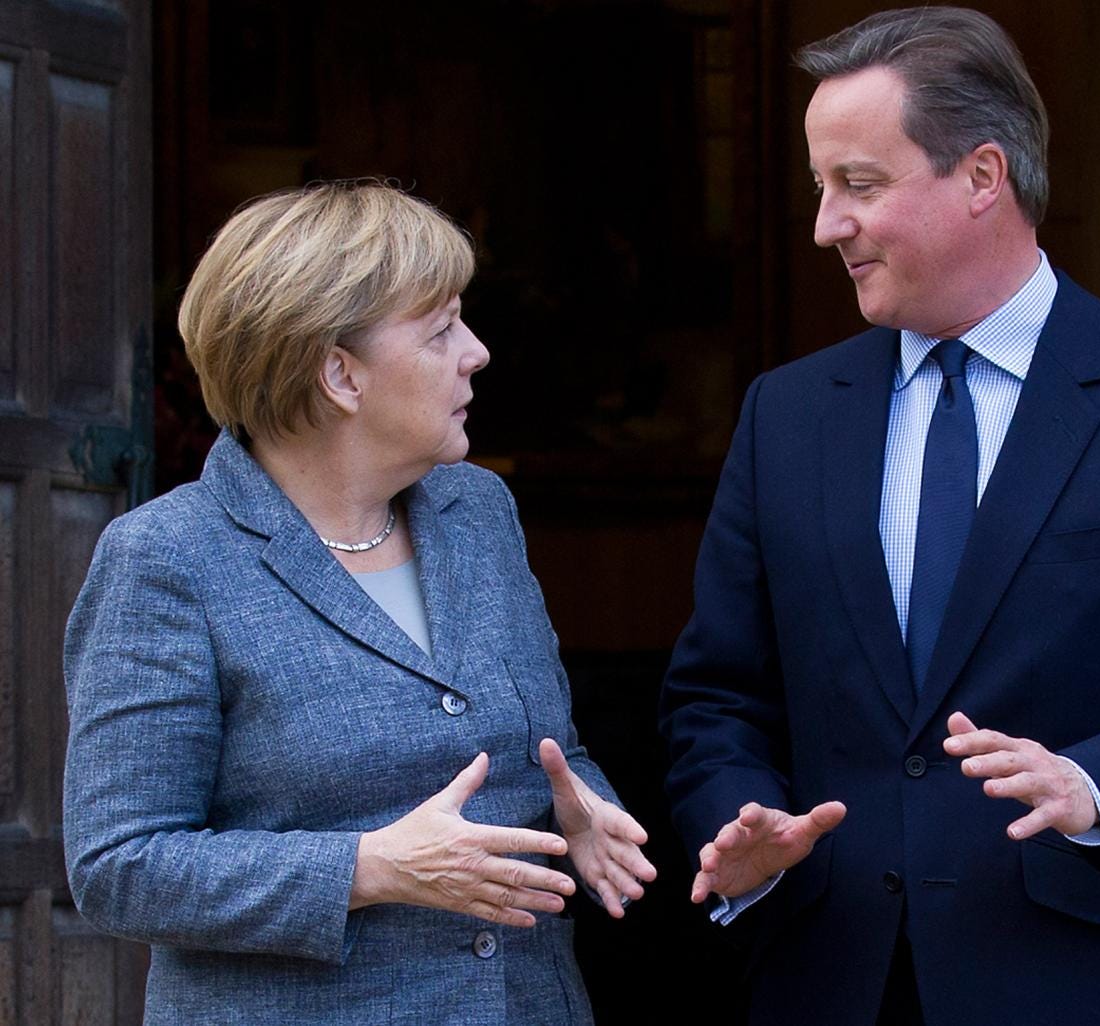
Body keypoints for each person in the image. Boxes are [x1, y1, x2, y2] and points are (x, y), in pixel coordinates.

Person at [658, 8, 1100, 1025]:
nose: (827, 225)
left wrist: (1095, 785)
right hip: (835, 983)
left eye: (859, 185)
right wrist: (741, 822)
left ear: (981, 176)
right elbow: (717, 695)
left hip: (1096, 983)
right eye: (822, 188)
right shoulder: (784, 416)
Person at [63, 180, 656, 1025]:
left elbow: (552, 750)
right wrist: (368, 868)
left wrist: (582, 810)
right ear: (340, 374)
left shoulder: (478, 511)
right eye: (440, 330)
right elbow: (120, 867)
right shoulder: (168, 559)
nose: (477, 352)